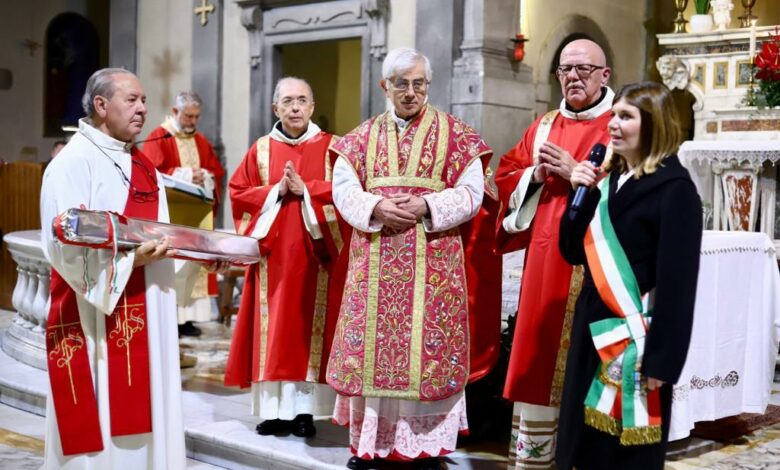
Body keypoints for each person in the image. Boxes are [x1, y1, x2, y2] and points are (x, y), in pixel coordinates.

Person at [327, 47, 491, 470]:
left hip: (432, 264)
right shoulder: (360, 138)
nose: (411, 92)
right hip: (374, 261)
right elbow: (343, 189)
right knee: (372, 356)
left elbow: (472, 193)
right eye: (402, 83)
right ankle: (372, 446)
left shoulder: (457, 135)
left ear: (428, 85)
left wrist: (427, 205)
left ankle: (425, 449)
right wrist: (376, 207)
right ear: (386, 86)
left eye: (419, 83)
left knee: (426, 356)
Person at [40, 68, 185, 469]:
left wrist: (199, 257)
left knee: (147, 402)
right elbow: (62, 244)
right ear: (101, 105)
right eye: (132, 100)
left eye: (144, 101)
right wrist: (129, 261)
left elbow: (164, 234)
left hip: (147, 302)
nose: (143, 109)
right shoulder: (72, 163)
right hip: (93, 313)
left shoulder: (144, 167)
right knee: (99, 411)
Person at [556, 81, 702, 469]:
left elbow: (678, 287)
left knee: (623, 453)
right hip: (593, 328)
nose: (613, 124)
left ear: (653, 123)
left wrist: (662, 362)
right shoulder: (606, 179)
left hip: (637, 340)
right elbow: (572, 252)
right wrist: (578, 194)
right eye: (613, 115)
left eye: (626, 116)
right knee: (581, 444)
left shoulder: (675, 189)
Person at [494, 38, 614, 469]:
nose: (573, 77)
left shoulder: (621, 124)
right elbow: (504, 177)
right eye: (565, 69)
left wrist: (579, 174)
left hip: (599, 267)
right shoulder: (543, 126)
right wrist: (535, 175)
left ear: (605, 75)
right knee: (540, 356)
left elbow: (638, 188)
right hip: (546, 264)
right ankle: (536, 461)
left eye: (584, 69)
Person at [224, 77, 348, 438]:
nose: (295, 107)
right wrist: (275, 191)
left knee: (307, 330)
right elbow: (239, 193)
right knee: (274, 333)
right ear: (275, 108)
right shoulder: (261, 150)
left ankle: (306, 412)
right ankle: (274, 412)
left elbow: (348, 194)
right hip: (272, 259)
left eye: (302, 100)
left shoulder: (334, 148)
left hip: (316, 258)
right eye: (288, 101)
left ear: (312, 107)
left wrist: (306, 190)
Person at [142, 91, 226, 337]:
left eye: (197, 116)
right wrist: (187, 175)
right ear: (175, 111)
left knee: (193, 265)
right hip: (171, 217)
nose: (193, 121)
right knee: (174, 264)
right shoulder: (159, 137)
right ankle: (172, 318)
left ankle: (187, 319)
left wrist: (206, 176)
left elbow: (217, 172)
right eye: (189, 116)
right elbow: (151, 174)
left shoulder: (201, 141)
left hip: (196, 216)